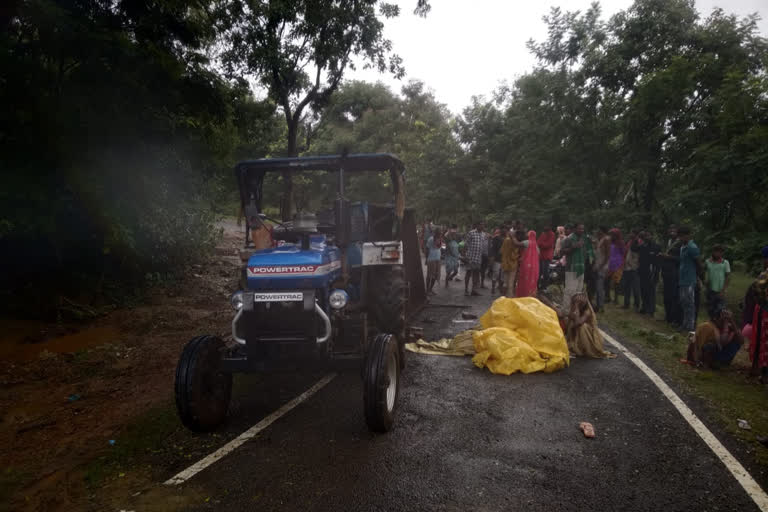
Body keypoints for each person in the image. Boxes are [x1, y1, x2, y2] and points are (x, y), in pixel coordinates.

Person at [566, 293, 616, 358]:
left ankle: (584, 348)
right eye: (575, 302)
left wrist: (577, 307)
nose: (579, 304)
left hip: (590, 338)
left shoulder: (587, 311)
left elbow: (578, 323)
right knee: (569, 322)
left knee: (582, 326)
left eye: (580, 303)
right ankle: (577, 346)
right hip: (579, 336)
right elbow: (569, 319)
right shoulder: (574, 310)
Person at [744, 246, 768, 381]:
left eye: (764, 259)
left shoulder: (765, 274)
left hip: (765, 312)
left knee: (762, 341)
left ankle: (760, 372)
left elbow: (756, 289)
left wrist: (761, 302)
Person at [561, 223, 589, 315]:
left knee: (578, 291)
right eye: (579, 229)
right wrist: (574, 247)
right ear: (574, 229)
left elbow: (585, 252)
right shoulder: (568, 239)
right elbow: (562, 251)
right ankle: (566, 311)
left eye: (582, 229)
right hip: (571, 268)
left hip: (580, 268)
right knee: (570, 290)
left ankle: (575, 311)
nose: (581, 230)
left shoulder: (583, 239)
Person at [677, 226, 700, 332]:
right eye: (680, 237)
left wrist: (699, 277)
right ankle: (684, 324)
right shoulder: (682, 247)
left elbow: (698, 263)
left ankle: (690, 326)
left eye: (682, 236)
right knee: (683, 302)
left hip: (690, 279)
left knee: (690, 302)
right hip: (682, 278)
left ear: (687, 235)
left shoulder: (692, 247)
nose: (680, 239)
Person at [660, 225, 683, 327]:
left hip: (675, 272)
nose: (672, 232)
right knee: (666, 295)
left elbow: (681, 259)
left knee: (674, 296)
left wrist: (669, 257)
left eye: (674, 231)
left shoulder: (680, 243)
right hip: (666, 271)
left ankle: (674, 319)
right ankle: (667, 316)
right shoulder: (668, 241)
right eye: (670, 230)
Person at [635, 231, 661, 315]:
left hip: (652, 272)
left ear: (652, 236)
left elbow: (658, 261)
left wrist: (656, 272)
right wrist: (637, 238)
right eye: (645, 236)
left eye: (648, 235)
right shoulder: (642, 246)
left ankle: (651, 309)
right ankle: (644, 307)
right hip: (642, 271)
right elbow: (633, 248)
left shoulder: (656, 247)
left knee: (651, 291)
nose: (647, 237)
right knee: (643, 290)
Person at [704, 244, 731, 318]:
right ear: (713, 252)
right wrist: (704, 282)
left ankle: (720, 326)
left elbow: (728, 277)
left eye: (720, 252)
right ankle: (712, 325)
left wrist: (723, 290)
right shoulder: (708, 262)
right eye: (716, 252)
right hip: (710, 290)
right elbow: (703, 272)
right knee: (710, 310)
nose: (718, 254)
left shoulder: (725, 263)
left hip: (721, 290)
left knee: (721, 310)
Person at [500, 227, 525, 297]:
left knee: (505, 281)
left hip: (505, 263)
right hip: (513, 264)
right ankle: (509, 296)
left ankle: (503, 296)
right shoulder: (514, 242)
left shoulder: (506, 240)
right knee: (511, 281)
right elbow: (515, 255)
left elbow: (501, 251)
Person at [516, 230, 540, 297]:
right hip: (534, 268)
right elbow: (538, 256)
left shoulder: (527, 242)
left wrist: (512, 237)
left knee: (524, 280)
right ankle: (530, 296)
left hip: (526, 266)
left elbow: (517, 243)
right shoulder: (537, 247)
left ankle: (522, 294)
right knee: (531, 281)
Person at [463, 222, 485, 296]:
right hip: (470, 257)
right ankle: (466, 290)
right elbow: (466, 244)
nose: (482, 226)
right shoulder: (471, 233)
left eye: (483, 225)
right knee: (468, 273)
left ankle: (474, 290)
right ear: (477, 225)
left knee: (476, 274)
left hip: (478, 257)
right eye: (481, 224)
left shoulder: (483, 234)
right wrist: (465, 256)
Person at [623, 229, 641, 311]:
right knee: (627, 287)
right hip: (627, 267)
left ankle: (636, 305)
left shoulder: (638, 242)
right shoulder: (629, 241)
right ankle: (626, 304)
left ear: (635, 234)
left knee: (635, 288)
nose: (630, 234)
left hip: (634, 267)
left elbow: (638, 255)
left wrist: (635, 265)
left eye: (632, 232)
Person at [606, 228, 626, 303]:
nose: (611, 236)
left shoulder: (621, 243)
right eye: (610, 234)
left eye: (612, 234)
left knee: (616, 282)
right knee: (607, 280)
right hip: (609, 264)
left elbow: (623, 253)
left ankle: (616, 299)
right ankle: (607, 297)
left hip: (618, 264)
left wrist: (622, 263)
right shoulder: (609, 242)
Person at [594, 226, 610, 312]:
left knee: (600, 287)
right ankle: (598, 304)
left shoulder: (606, 239)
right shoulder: (600, 239)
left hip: (602, 267)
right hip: (598, 265)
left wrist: (601, 266)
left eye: (598, 230)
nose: (597, 231)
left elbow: (608, 255)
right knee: (597, 286)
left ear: (602, 231)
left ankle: (600, 306)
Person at [537, 225, 555, 290]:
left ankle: (544, 287)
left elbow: (548, 245)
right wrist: (542, 244)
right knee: (539, 272)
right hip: (541, 256)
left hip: (547, 256)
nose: (545, 231)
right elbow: (538, 243)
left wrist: (542, 244)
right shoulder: (543, 234)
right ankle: (538, 286)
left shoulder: (552, 234)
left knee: (545, 272)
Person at [425, 231, 442, 295]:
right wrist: (426, 259)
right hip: (431, 259)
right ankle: (427, 290)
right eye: (440, 233)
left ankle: (430, 289)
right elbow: (427, 249)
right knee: (430, 275)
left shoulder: (440, 239)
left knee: (435, 276)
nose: (440, 234)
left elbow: (439, 248)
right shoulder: (431, 239)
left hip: (438, 258)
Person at [489, 228, 504, 294]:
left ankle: (500, 288)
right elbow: (493, 249)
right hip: (497, 259)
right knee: (496, 273)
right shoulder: (496, 239)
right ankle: (493, 288)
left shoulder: (507, 238)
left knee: (502, 275)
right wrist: (492, 258)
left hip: (504, 259)